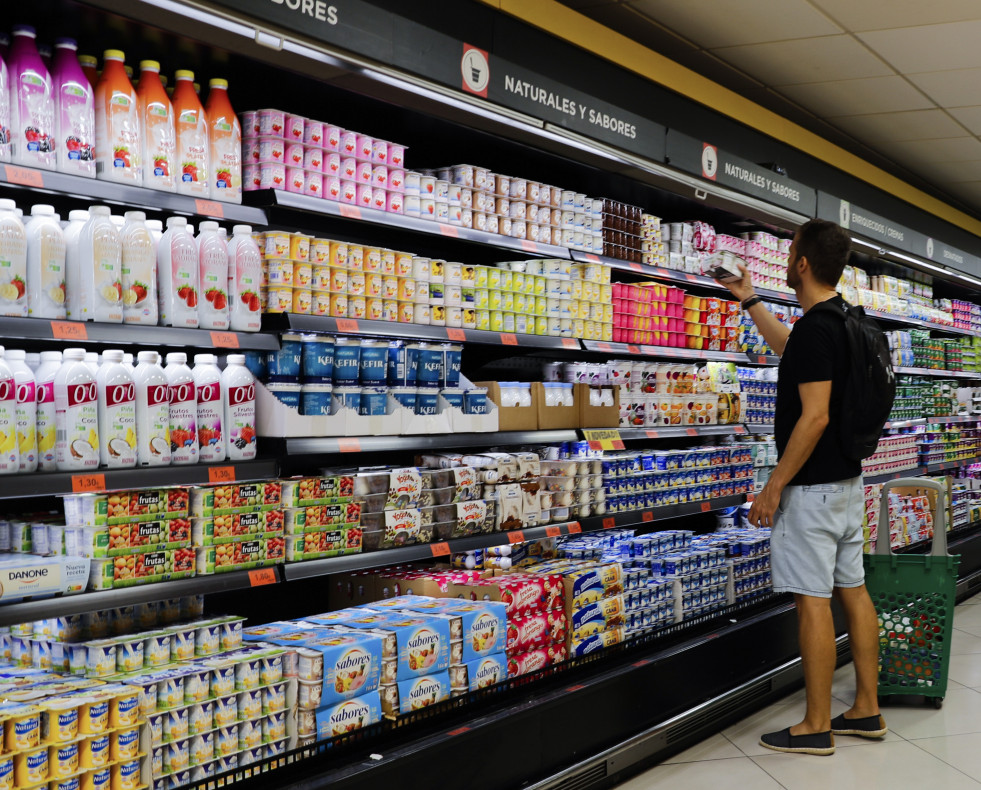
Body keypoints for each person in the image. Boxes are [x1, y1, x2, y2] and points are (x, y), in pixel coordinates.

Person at [717, 219, 886, 756]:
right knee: (853, 593)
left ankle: (816, 725)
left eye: (790, 252)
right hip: (846, 485)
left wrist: (773, 487)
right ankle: (866, 709)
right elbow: (792, 348)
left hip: (810, 492)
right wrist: (748, 299)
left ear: (803, 264)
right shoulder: (844, 320)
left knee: (811, 603)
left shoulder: (819, 328)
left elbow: (812, 418)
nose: (788, 259)